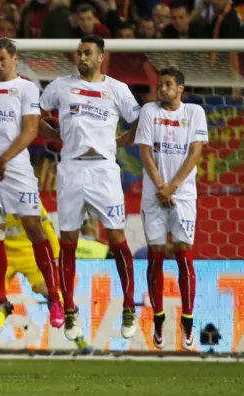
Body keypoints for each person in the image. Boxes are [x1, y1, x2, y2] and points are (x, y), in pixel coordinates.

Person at [39, 34, 140, 342]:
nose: (81, 58)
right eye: (79, 53)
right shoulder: (60, 86)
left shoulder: (118, 89)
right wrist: (55, 137)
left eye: (87, 53)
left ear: (100, 58)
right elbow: (34, 116)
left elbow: (139, 123)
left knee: (117, 238)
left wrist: (117, 142)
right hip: (70, 170)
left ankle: (129, 306)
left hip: (104, 172)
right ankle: (69, 310)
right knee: (67, 240)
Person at [0, 38, 65, 335]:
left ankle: (54, 297)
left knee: (33, 226)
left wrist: (5, 158)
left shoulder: (26, 88)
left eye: (2, 59)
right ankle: (0, 300)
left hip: (16, 169)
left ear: (14, 58)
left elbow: (31, 129)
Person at [0, 162, 91, 354]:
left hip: (32, 259)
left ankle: (78, 337)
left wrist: (55, 259)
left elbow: (48, 232)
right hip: (2, 261)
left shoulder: (28, 200)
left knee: (54, 296)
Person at [135, 67, 206, 351]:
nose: (162, 89)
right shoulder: (149, 111)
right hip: (154, 195)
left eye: (168, 85)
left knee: (184, 255)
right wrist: (160, 186)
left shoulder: (194, 113)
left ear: (180, 89)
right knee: (155, 256)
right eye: (160, 85)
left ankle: (188, 320)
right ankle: (159, 317)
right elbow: (143, 152)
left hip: (183, 195)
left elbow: (196, 152)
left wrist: (172, 186)